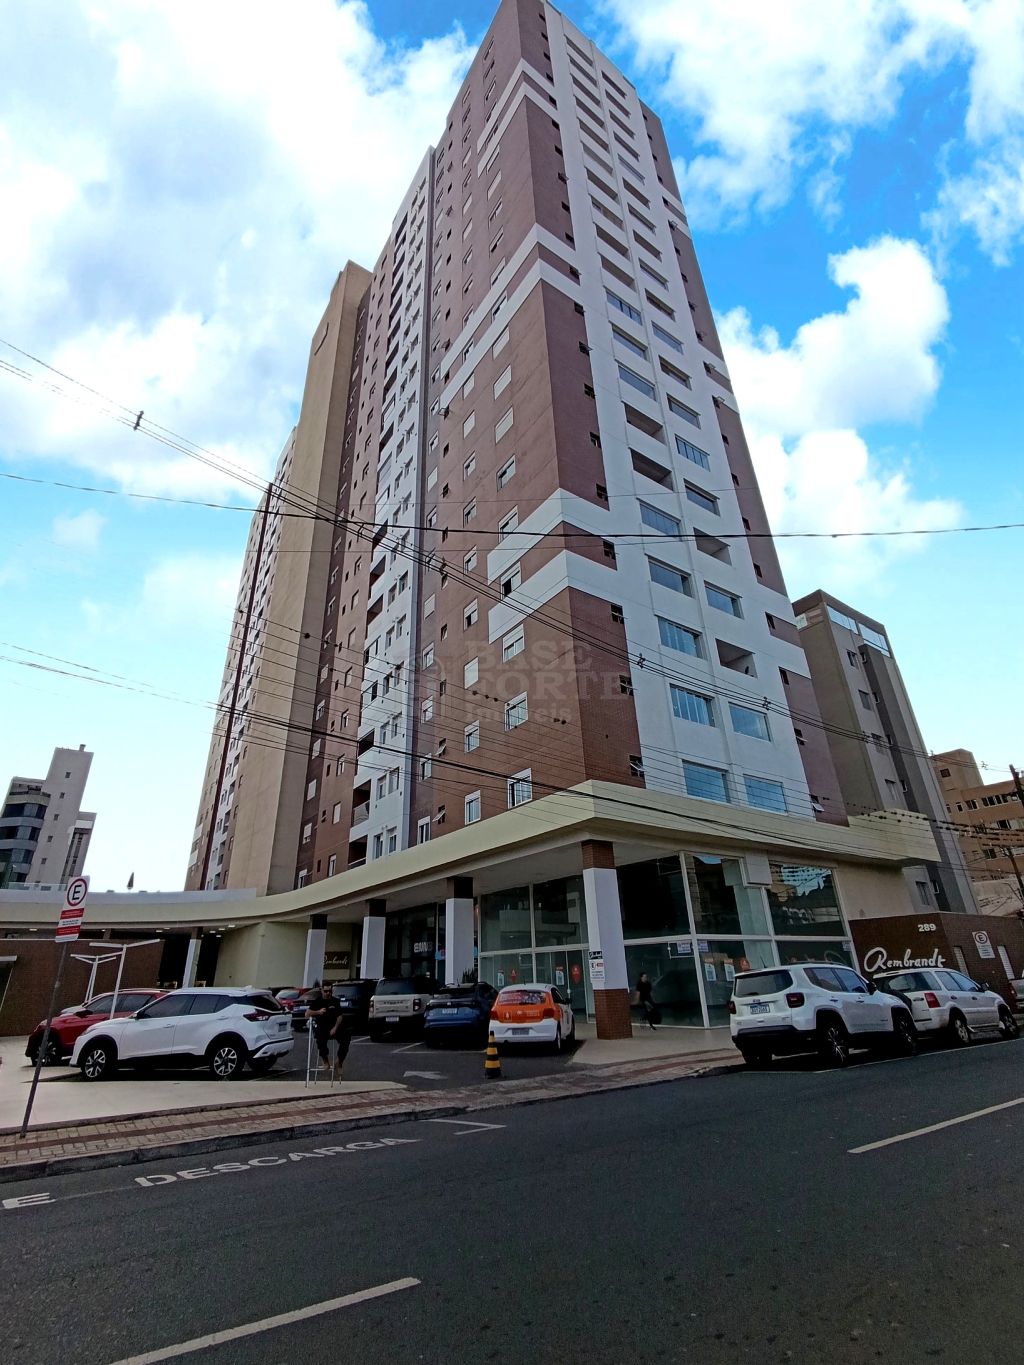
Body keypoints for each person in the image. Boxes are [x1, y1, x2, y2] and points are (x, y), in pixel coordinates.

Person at [306, 983, 350, 1073]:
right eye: (326, 991)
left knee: (346, 1037)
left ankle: (339, 1062)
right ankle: (325, 1060)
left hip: (334, 1027)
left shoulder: (335, 1001)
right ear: (322, 991)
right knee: (320, 1038)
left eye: (330, 991)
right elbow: (307, 1014)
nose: (328, 993)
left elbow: (340, 1016)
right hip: (322, 1027)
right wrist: (318, 1012)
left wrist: (335, 1028)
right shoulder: (317, 1001)